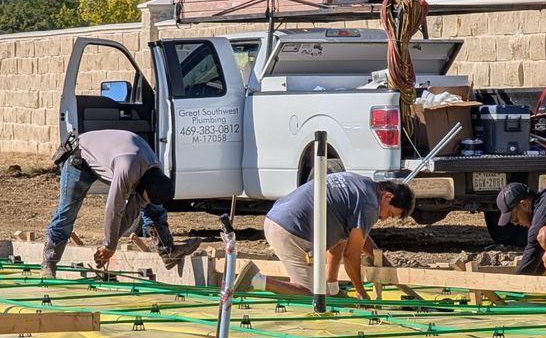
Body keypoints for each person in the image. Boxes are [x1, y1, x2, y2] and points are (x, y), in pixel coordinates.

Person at [41, 129, 201, 278]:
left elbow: (132, 211)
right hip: (79, 158)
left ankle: (168, 252)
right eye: (145, 197)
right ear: (144, 188)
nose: (143, 201)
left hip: (115, 157)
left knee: (154, 207)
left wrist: (108, 246)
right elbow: (114, 209)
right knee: (68, 211)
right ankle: (49, 262)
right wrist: (109, 246)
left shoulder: (154, 171)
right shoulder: (127, 169)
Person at [233, 172, 416, 300]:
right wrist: (361, 292)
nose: (383, 219)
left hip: (278, 217)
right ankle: (255, 280)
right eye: (390, 214)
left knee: (342, 237)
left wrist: (383, 262)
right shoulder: (370, 206)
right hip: (290, 230)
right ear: (387, 197)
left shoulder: (363, 185)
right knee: (313, 295)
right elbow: (351, 255)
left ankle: (333, 288)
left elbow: (357, 238)